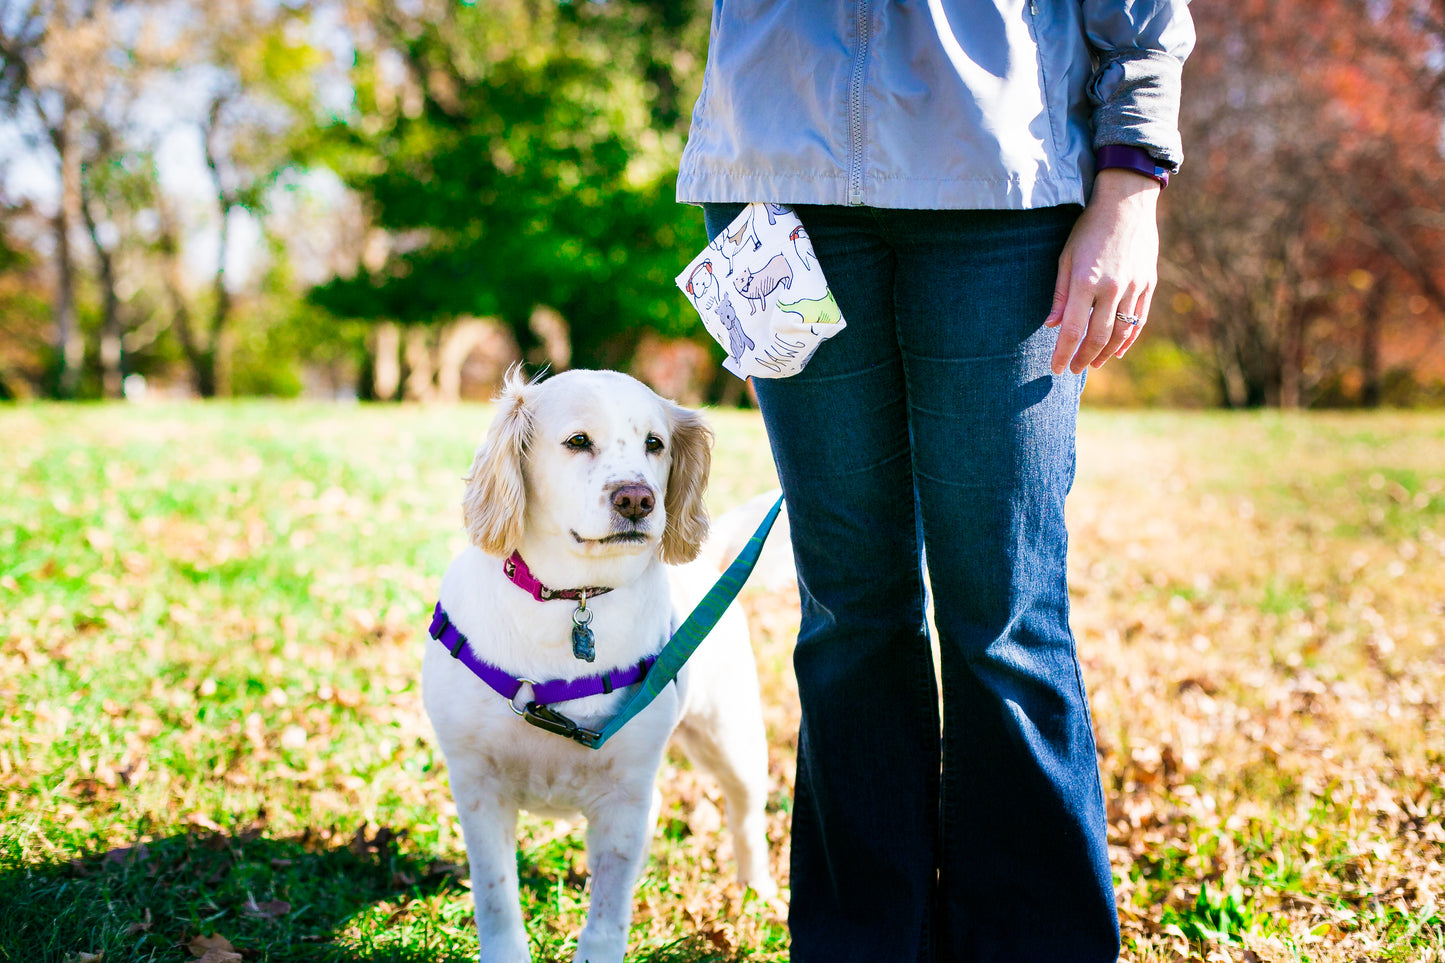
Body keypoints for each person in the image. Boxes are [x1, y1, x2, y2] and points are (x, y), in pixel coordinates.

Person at [676, 4, 1194, 961]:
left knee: (1002, 610)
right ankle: (860, 942)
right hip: (772, 184)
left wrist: (1130, 184)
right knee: (848, 606)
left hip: (1005, 188)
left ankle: (1036, 944)